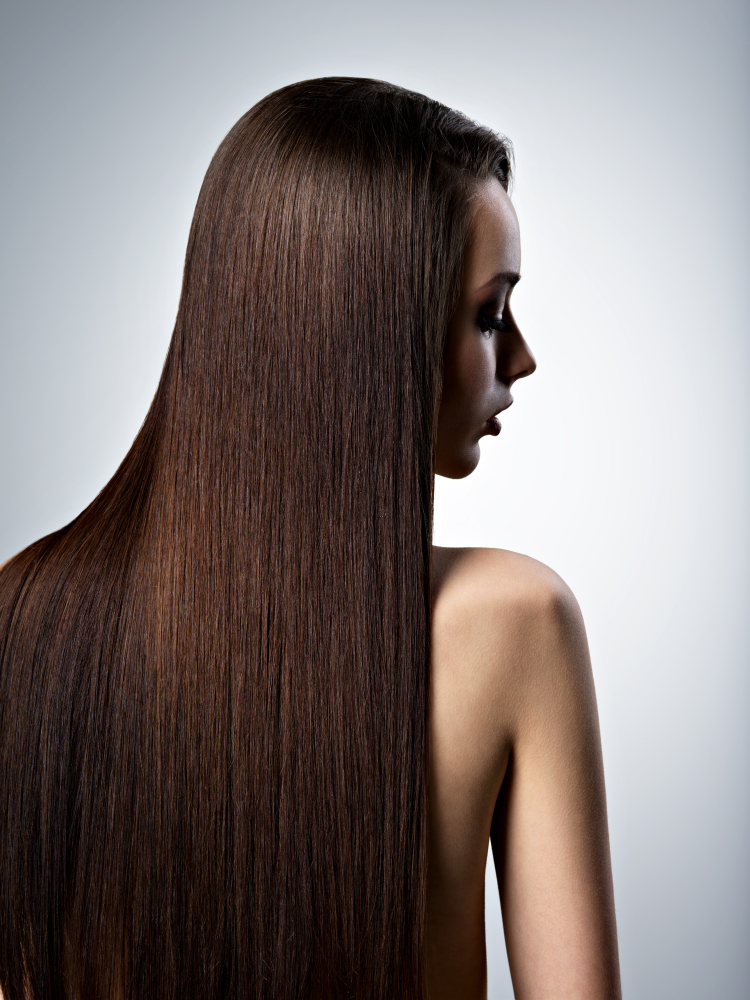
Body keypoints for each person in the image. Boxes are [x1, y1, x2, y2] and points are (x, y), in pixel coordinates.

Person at [0, 77, 621, 999]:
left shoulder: (26, 617)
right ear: (374, 333)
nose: (521, 355)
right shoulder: (513, 622)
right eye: (490, 313)